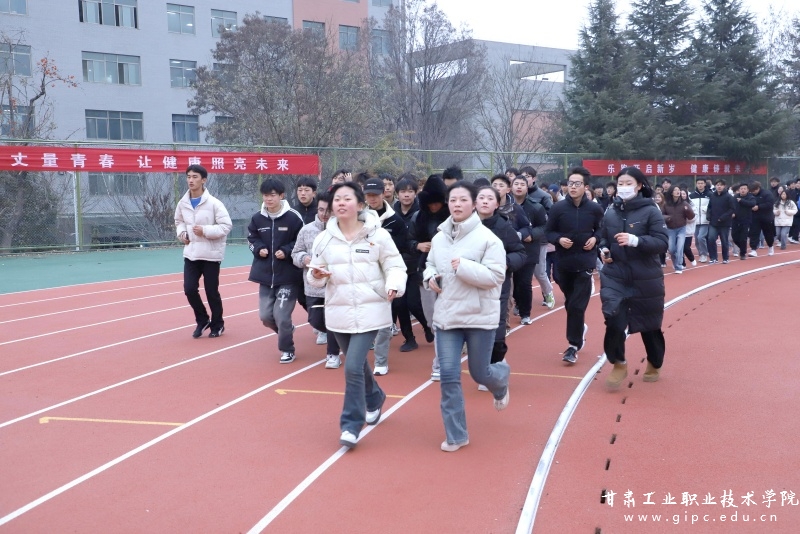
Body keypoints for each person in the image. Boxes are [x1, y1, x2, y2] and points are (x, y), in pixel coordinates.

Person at [307, 182, 407, 449]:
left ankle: (351, 424)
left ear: (360, 205)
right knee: (358, 364)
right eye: (337, 199)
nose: (341, 203)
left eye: (347, 198)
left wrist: (393, 284)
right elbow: (314, 275)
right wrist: (316, 274)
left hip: (371, 307)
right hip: (338, 310)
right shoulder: (323, 239)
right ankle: (374, 397)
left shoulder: (377, 235)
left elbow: (395, 265)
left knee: (351, 366)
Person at [423, 181, 510, 452]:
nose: (457, 204)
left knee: (480, 372)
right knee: (448, 375)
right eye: (453, 200)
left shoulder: (489, 239)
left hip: (478, 316)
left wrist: (464, 267)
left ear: (473, 204)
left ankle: (500, 380)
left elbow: (496, 277)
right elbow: (430, 264)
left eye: (462, 200)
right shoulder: (439, 237)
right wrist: (430, 277)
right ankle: (456, 435)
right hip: (447, 316)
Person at [598, 167, 668, 387]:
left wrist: (636, 240)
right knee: (613, 318)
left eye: (628, 183)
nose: (624, 187)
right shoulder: (611, 210)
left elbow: (662, 242)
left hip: (645, 276)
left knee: (649, 323)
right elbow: (603, 237)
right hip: (615, 275)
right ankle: (618, 362)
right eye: (620, 183)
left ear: (639, 185)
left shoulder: (651, 211)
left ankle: (655, 361)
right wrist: (603, 250)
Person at [546, 167, 604, 364]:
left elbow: (602, 230)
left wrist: (595, 239)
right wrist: (559, 239)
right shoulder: (558, 208)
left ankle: (573, 346)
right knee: (571, 304)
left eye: (577, 183)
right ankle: (579, 328)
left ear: (585, 186)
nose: (572, 187)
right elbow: (548, 232)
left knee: (577, 306)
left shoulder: (594, 209)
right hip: (563, 263)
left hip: (585, 262)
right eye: (570, 183)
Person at [247, 178, 305, 364]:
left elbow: (301, 241)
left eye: (272, 195)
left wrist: (287, 251)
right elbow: (251, 239)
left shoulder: (293, 217)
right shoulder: (257, 218)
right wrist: (258, 248)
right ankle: (286, 330)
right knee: (265, 317)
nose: (268, 199)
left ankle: (287, 349)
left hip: (288, 276)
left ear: (281, 196)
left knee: (281, 316)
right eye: (265, 195)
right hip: (265, 276)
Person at [174, 164, 232, 338]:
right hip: (191, 253)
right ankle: (202, 320)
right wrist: (182, 234)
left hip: (211, 254)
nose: (191, 180)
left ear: (204, 180)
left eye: (195, 177)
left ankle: (218, 324)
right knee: (189, 289)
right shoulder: (183, 203)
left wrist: (205, 230)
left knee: (211, 291)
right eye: (188, 177)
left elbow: (226, 226)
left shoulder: (214, 203)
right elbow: (179, 221)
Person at [476, 185, 526, 378]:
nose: (485, 201)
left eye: (490, 198)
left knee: (496, 333)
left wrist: (505, 263)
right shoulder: (463, 226)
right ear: (474, 202)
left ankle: (495, 364)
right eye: (481, 197)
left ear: (497, 204)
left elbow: (520, 253)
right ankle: (483, 368)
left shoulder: (503, 227)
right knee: (474, 332)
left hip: (497, 287)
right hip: (469, 287)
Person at [363, 177, 410, 372]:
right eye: (368, 195)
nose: (372, 199)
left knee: (384, 320)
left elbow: (401, 248)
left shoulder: (395, 220)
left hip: (386, 275)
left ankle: (380, 361)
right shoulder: (359, 218)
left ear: (384, 194)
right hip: (364, 274)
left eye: (375, 195)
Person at [291, 192, 343, 368]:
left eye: (328, 210)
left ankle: (333, 354)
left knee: (333, 321)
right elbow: (295, 253)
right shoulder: (307, 230)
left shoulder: (343, 230)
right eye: (321, 210)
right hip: (314, 286)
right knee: (316, 320)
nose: (324, 214)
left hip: (336, 286)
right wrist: (304, 258)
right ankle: (342, 337)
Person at [408, 175, 451, 381]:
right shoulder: (418, 217)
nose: (434, 206)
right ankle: (443, 352)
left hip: (450, 272)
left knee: (446, 316)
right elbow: (408, 240)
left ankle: (440, 360)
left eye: (437, 202)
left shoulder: (453, 218)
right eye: (430, 203)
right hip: (425, 270)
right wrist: (417, 245)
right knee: (431, 316)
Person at [510, 174, 550, 321]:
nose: (519, 187)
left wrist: (532, 235)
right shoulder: (504, 206)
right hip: (510, 250)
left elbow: (544, 226)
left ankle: (525, 313)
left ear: (527, 188)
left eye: (522, 184)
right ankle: (518, 302)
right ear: (511, 187)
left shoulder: (536, 206)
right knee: (514, 282)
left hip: (529, 249)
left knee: (525, 282)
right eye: (516, 184)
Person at [660, 185, 695, 274]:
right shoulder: (666, 204)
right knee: (671, 249)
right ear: (671, 192)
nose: (677, 191)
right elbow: (661, 215)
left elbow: (691, 216)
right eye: (675, 190)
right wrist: (668, 218)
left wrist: (688, 210)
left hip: (681, 228)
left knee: (680, 248)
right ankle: (676, 263)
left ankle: (678, 267)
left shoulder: (684, 204)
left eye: (678, 190)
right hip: (670, 229)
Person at [705, 179, 736, 264]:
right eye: (718, 185)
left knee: (724, 241)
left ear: (724, 186)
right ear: (715, 186)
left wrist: (723, 217)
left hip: (724, 223)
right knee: (711, 239)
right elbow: (709, 207)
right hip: (713, 222)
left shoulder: (728, 197)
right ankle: (713, 257)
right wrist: (708, 215)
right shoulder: (712, 196)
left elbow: (732, 209)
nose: (719, 187)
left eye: (721, 185)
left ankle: (725, 258)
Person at [747, 181, 776, 257]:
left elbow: (770, 204)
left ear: (758, 188)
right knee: (754, 233)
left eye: (754, 191)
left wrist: (759, 207)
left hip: (766, 217)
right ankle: (753, 249)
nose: (753, 192)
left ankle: (770, 246)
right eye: (751, 191)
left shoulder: (767, 193)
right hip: (754, 217)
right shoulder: (750, 195)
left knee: (768, 233)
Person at [689, 177, 711, 262]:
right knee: (697, 240)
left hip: (706, 220)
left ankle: (704, 254)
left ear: (705, 184)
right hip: (695, 220)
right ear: (696, 184)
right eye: (698, 183)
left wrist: (706, 209)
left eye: (702, 183)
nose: (700, 185)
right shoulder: (691, 196)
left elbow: (712, 206)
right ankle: (701, 253)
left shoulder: (710, 194)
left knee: (701, 237)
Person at [680, 189, 697, 267]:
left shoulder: (691, 204)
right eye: (681, 194)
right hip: (677, 229)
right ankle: (682, 263)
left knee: (686, 247)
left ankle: (692, 259)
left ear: (686, 195)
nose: (682, 195)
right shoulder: (674, 204)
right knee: (679, 248)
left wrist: (684, 219)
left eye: (684, 194)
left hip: (688, 230)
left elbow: (694, 216)